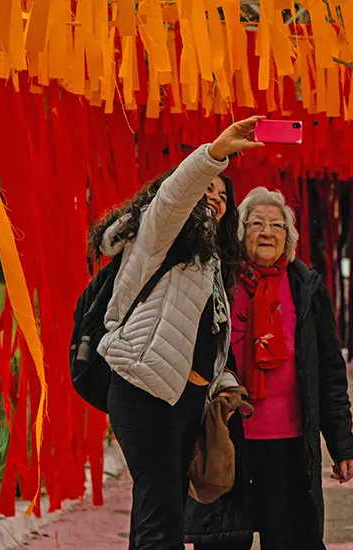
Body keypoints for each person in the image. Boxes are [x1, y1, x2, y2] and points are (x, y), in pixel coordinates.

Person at [87, 117, 262, 550]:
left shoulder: (208, 263)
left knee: (157, 513)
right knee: (162, 519)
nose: (215, 199)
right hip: (145, 390)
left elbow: (203, 337)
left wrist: (221, 382)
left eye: (222, 197)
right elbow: (172, 197)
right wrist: (214, 155)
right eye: (207, 190)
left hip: (185, 400)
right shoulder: (158, 236)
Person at [187, 187, 353, 550]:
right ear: (240, 232)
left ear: (289, 238)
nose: (267, 232)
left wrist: (342, 444)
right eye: (256, 223)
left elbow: (329, 373)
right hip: (228, 443)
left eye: (277, 225)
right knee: (223, 543)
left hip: (290, 448)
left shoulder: (306, 288)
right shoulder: (219, 282)